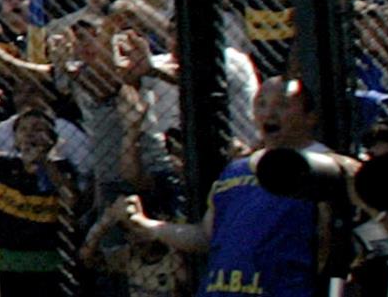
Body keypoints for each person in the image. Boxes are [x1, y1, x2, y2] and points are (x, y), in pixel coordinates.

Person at [117, 76, 339, 296]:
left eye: (282, 105)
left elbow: (328, 246)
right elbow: (206, 235)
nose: (269, 113)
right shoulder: (236, 170)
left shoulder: (326, 168)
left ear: (310, 117)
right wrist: (151, 227)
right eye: (261, 103)